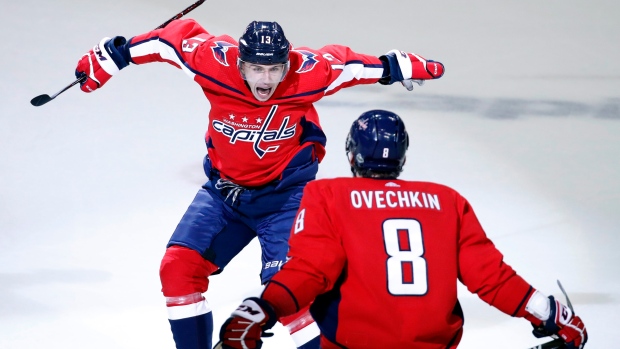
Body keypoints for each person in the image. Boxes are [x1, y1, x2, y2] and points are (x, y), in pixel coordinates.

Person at [73, 19, 445, 349]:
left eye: (274, 69)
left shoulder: (308, 73)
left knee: (290, 294)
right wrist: (113, 55)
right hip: (224, 196)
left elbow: (351, 66)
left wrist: (395, 66)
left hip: (286, 201)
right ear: (239, 64)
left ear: (287, 64)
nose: (266, 80)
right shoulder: (211, 62)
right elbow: (166, 42)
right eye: (255, 69)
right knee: (177, 268)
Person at [216, 110, 588, 349]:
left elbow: (312, 269)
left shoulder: (328, 194)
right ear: (403, 156)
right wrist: (550, 312)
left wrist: (261, 307)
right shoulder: (446, 200)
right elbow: (490, 277)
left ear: (351, 155)